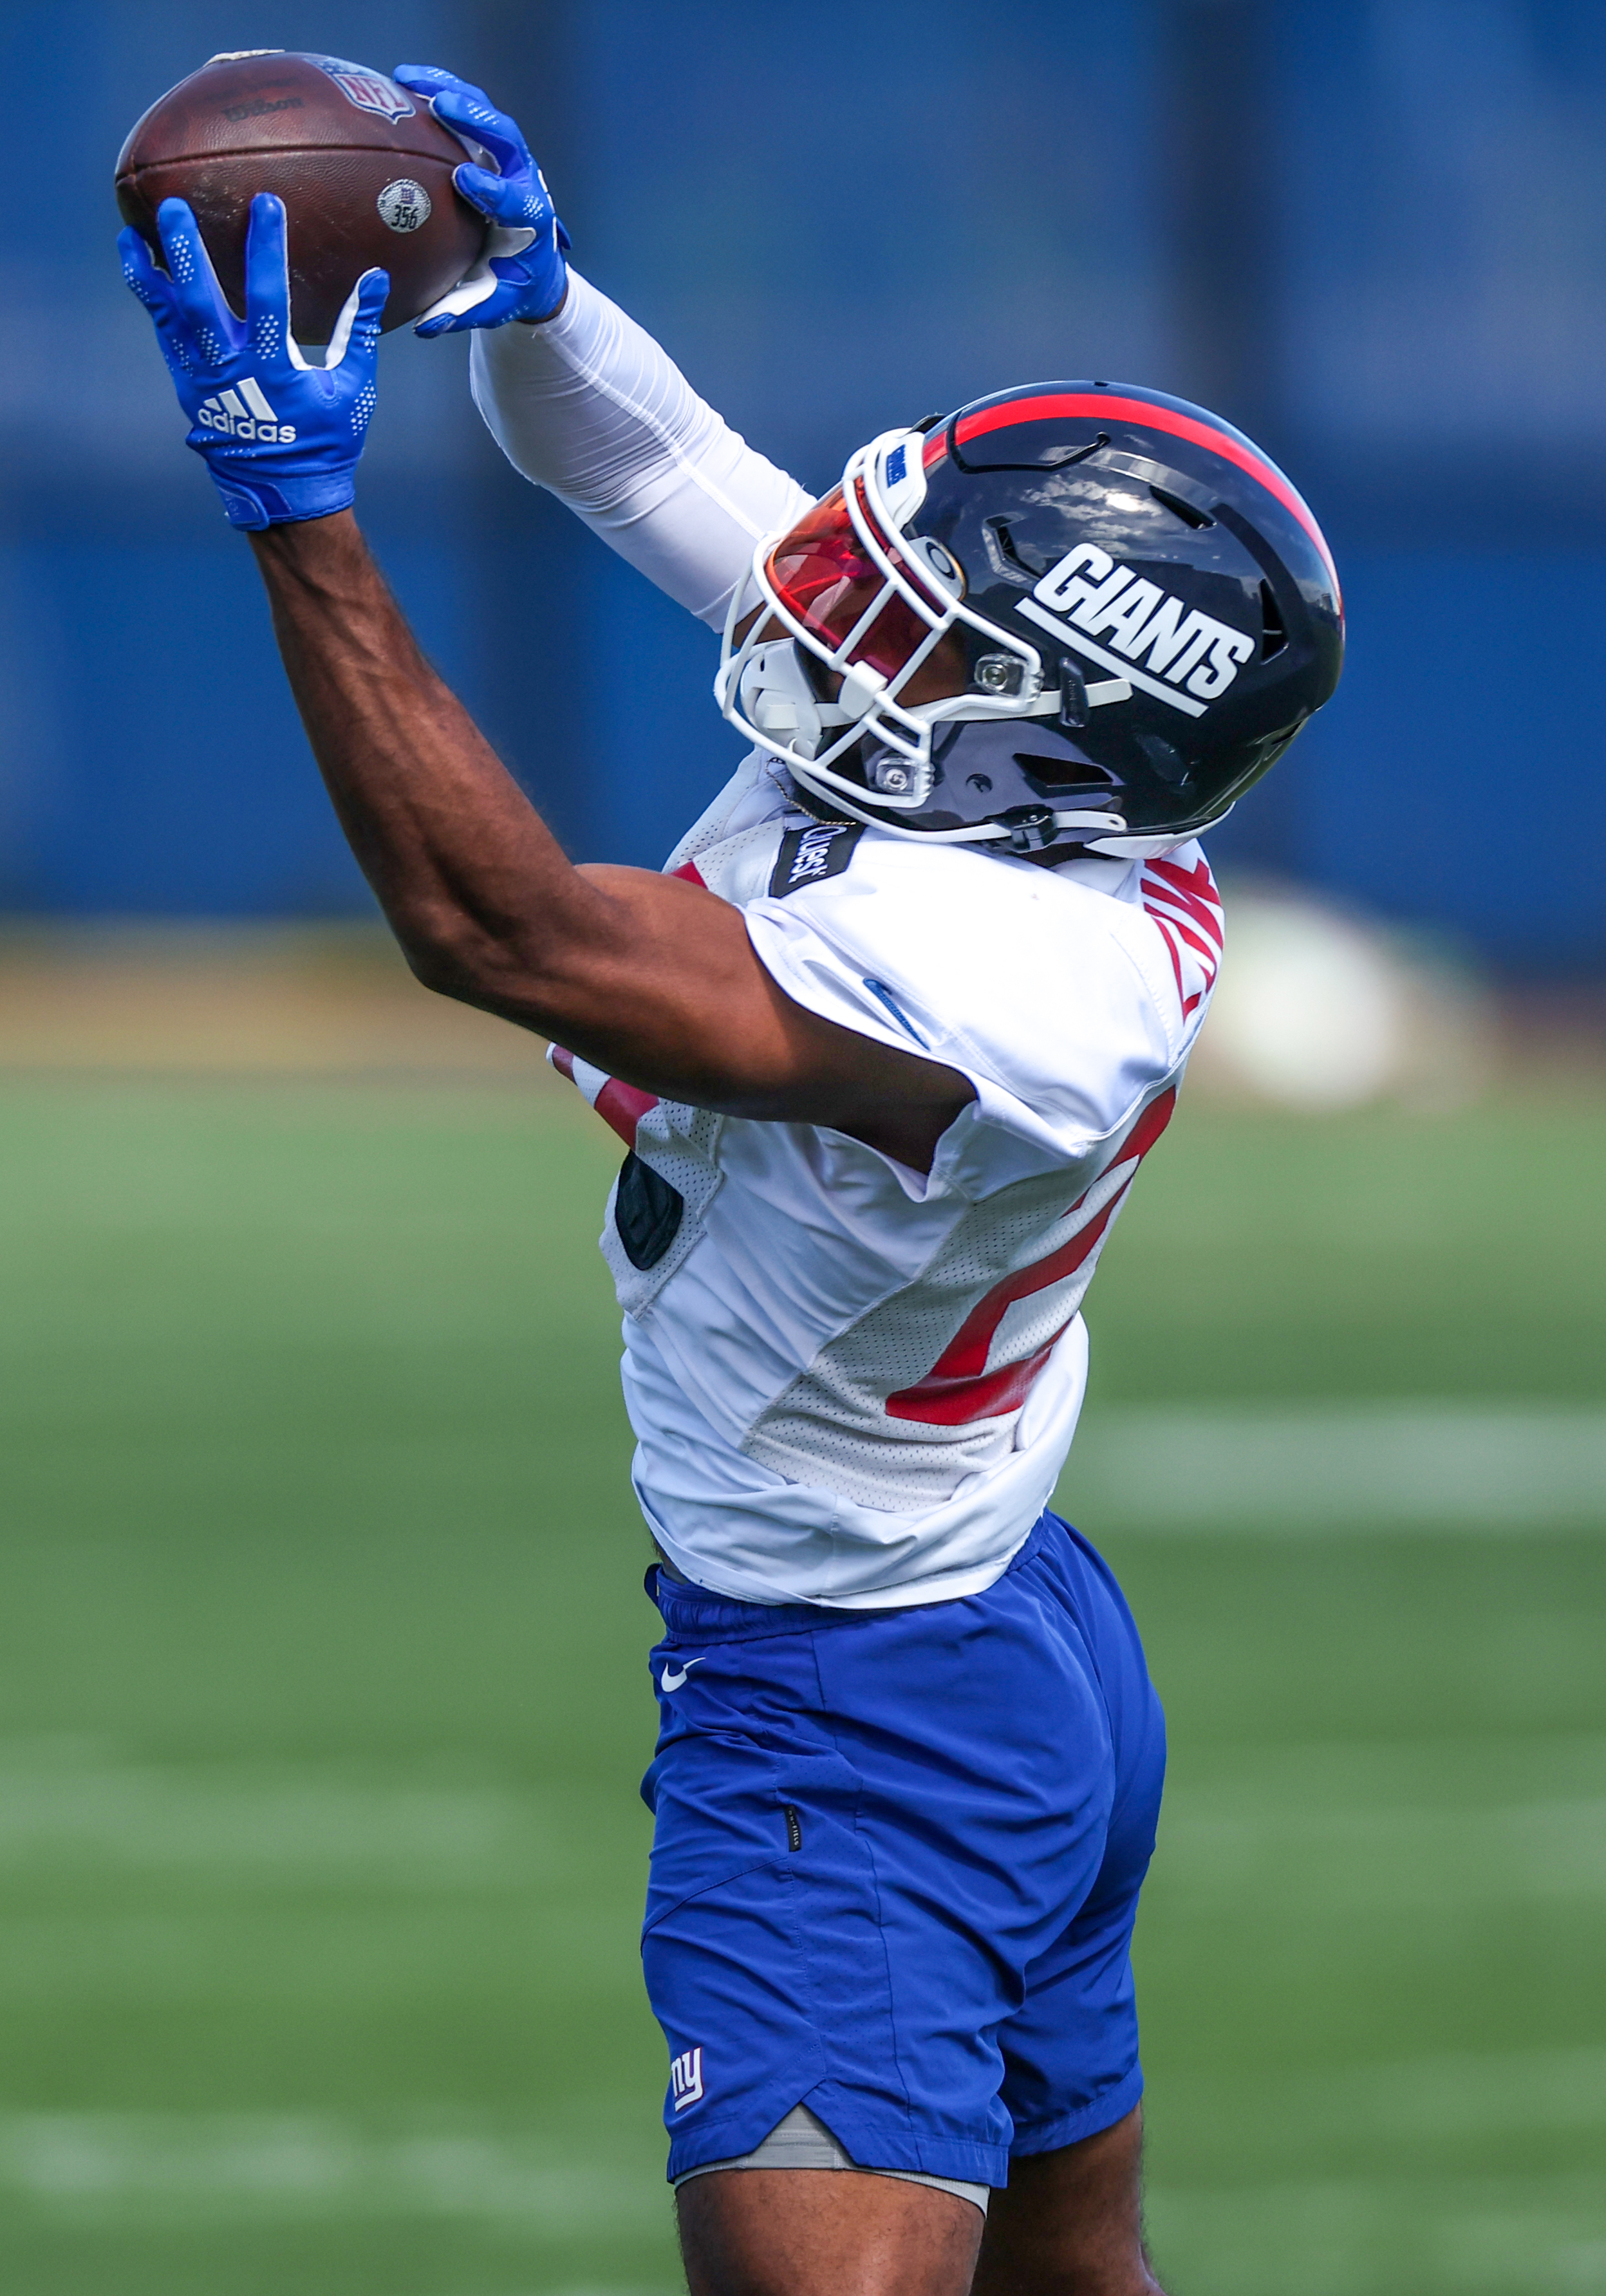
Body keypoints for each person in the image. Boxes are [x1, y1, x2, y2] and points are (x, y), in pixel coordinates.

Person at [120, 62, 1342, 2296]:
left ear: (1055, 728)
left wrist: (295, 514)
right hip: (1018, 1635)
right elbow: (667, 470)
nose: (839, 612)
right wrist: (523, 293)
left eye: (925, 624)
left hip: (856, 1713)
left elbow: (503, 936)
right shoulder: (1014, 796)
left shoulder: (1018, 979)